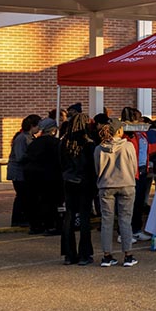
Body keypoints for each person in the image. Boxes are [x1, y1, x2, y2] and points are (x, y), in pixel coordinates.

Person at [94, 120, 139, 268]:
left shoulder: (99, 148)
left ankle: (107, 256)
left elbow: (97, 168)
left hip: (106, 185)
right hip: (126, 183)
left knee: (107, 221)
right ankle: (128, 255)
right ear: (119, 131)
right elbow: (134, 165)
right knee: (125, 220)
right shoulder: (128, 146)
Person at [120, 106, 156, 240]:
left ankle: (136, 229)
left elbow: (146, 150)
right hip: (130, 172)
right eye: (139, 117)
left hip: (142, 170)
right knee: (128, 203)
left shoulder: (142, 133)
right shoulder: (126, 134)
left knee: (139, 202)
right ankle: (124, 232)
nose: (142, 120)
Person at [58, 112, 98, 266]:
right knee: (84, 217)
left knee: (69, 216)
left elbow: (60, 162)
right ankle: (84, 254)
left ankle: (69, 254)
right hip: (85, 182)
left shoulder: (63, 142)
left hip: (68, 180)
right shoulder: (88, 143)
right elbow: (92, 166)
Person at [23, 118, 63, 235]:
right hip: (50, 177)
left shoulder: (34, 143)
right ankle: (51, 226)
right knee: (50, 202)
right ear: (53, 130)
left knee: (34, 201)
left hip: (32, 176)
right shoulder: (56, 143)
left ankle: (36, 226)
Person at [8, 114, 41, 228]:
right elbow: (20, 156)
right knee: (22, 196)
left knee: (24, 195)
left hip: (24, 172)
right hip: (18, 172)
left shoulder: (29, 137)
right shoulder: (22, 138)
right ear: (33, 126)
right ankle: (17, 219)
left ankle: (22, 218)